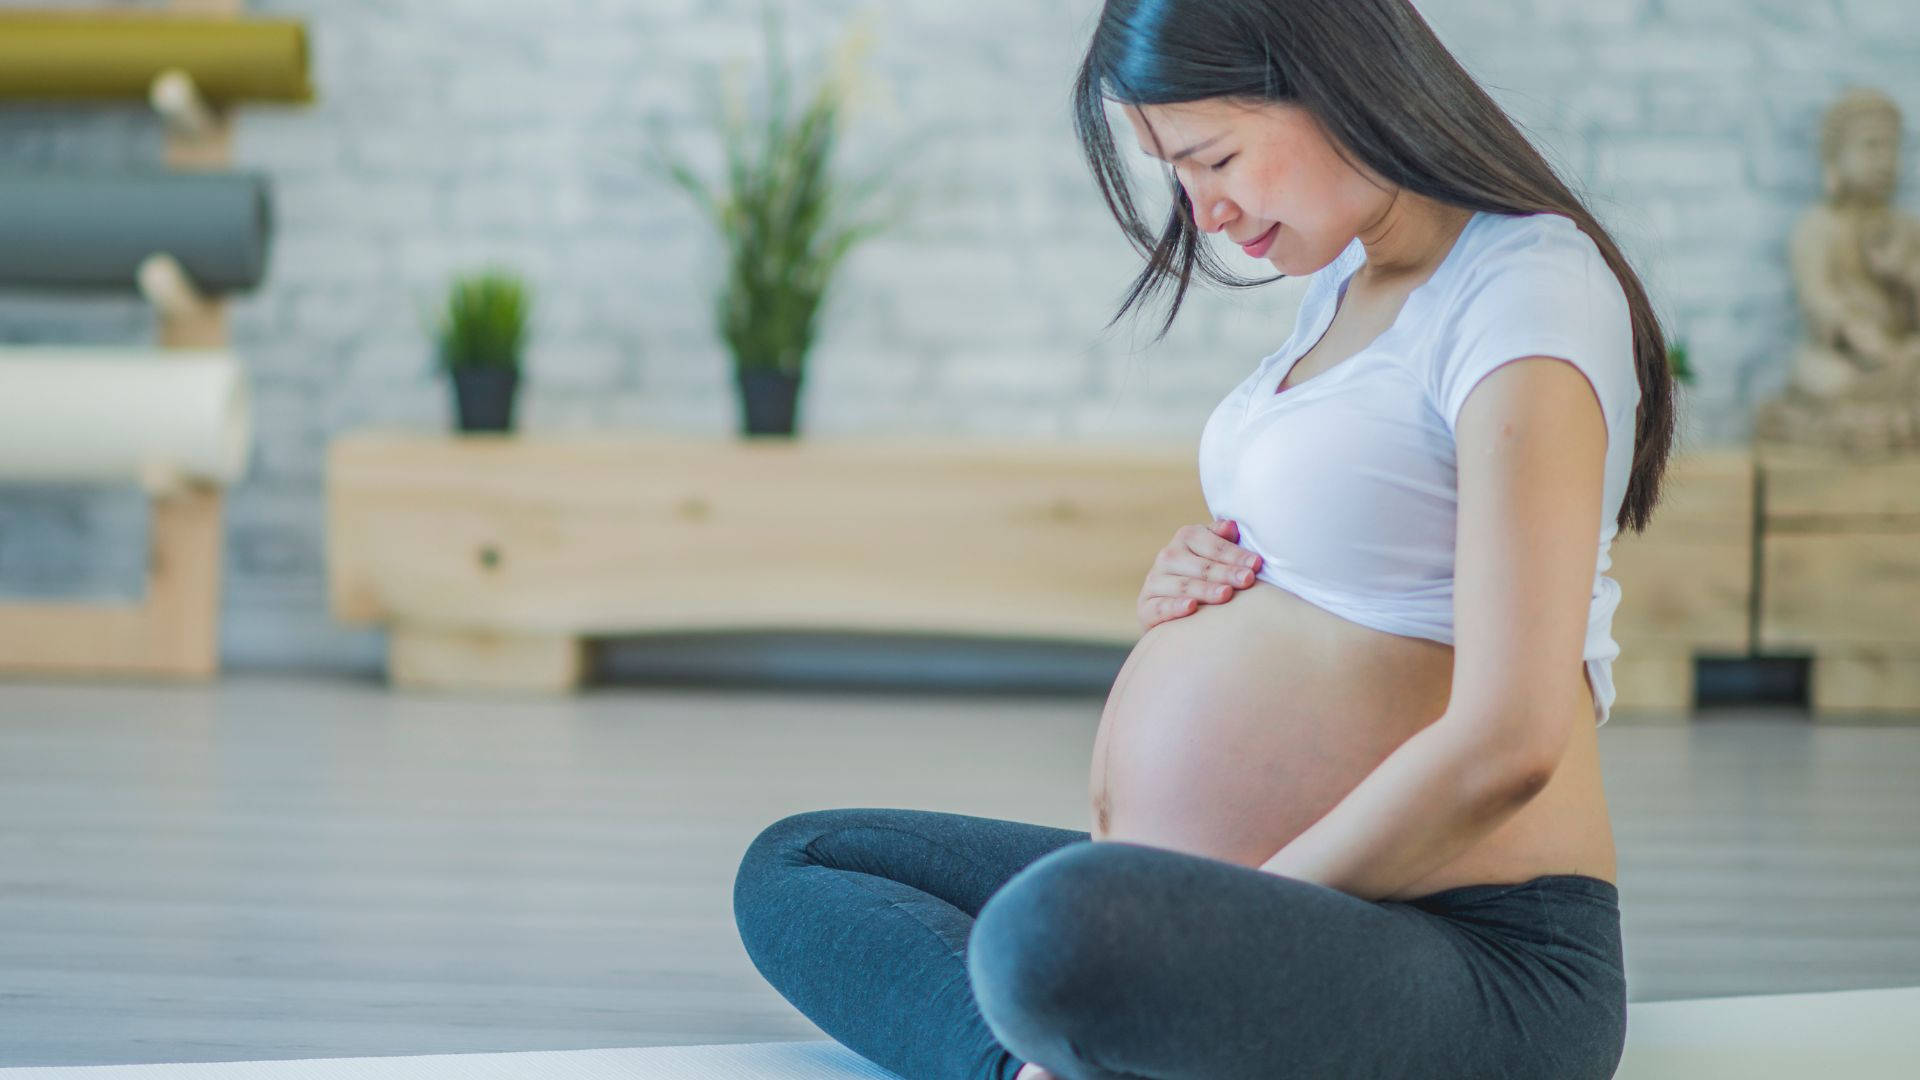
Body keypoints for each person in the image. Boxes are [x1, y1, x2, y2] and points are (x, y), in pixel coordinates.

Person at [732, 1, 1676, 1077]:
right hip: (1247, 905)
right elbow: (1352, 551)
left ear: (1334, 79)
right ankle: (1048, 1068)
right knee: (802, 864)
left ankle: (1085, 1034)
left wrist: (1219, 917)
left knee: (1060, 934)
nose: (1204, 211)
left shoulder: (1527, 289)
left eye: (1211, 156)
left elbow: (1510, 740)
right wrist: (1211, 578)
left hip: (1472, 947)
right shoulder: (1346, 279)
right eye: (1173, 172)